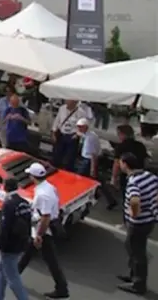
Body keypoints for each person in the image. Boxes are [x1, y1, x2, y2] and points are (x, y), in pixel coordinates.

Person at [17, 163, 69, 299]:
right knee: (28, 253)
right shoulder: (49, 187)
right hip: (42, 227)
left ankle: (62, 288)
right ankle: (14, 274)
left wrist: (39, 235)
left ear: (32, 177)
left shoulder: (42, 194)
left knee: (50, 260)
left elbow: (46, 217)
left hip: (44, 230)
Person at [117, 152, 158, 294]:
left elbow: (134, 200)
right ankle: (133, 275)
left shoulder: (133, 182)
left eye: (121, 162)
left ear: (125, 164)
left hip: (138, 223)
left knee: (136, 251)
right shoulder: (150, 176)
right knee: (133, 247)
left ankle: (138, 284)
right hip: (149, 220)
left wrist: (134, 213)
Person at [0, 177, 31, 300]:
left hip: (9, 246)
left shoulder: (8, 204)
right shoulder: (24, 203)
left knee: (13, 278)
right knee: (2, 270)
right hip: (21, 243)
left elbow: (4, 227)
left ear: (4, 187)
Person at [75, 118, 118, 208]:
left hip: (88, 161)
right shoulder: (90, 135)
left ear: (85, 127)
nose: (79, 129)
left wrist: (92, 169)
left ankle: (82, 198)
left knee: (81, 178)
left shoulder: (90, 139)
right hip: (89, 161)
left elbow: (93, 155)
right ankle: (106, 198)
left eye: (80, 127)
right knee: (97, 181)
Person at [111, 125, 149, 206]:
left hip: (126, 175)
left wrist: (114, 178)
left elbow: (116, 164)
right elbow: (146, 161)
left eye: (119, 134)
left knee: (128, 197)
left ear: (123, 134)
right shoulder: (140, 145)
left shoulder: (120, 147)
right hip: (140, 174)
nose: (118, 136)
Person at [52, 99, 91, 171]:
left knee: (69, 158)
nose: (67, 102)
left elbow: (84, 127)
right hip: (61, 134)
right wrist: (54, 132)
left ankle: (67, 171)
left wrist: (77, 135)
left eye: (69, 101)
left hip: (72, 136)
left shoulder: (81, 112)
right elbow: (57, 120)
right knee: (57, 155)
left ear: (75, 102)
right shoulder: (62, 108)